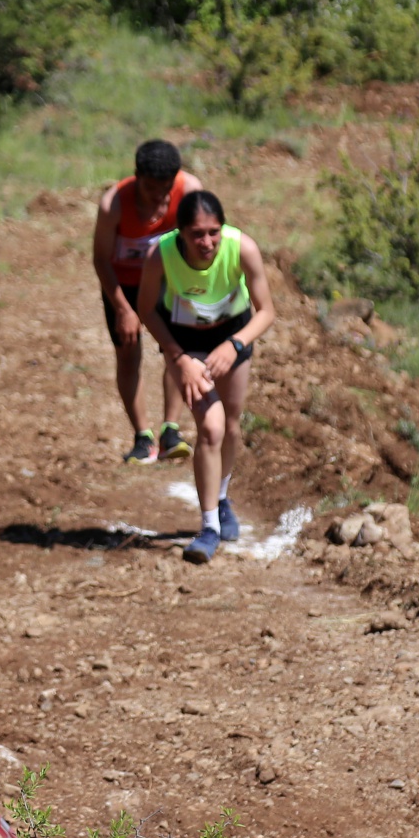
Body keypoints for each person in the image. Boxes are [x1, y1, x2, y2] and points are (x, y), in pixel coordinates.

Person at [137, 190, 275, 564]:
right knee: (210, 428)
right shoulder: (160, 254)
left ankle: (222, 496)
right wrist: (178, 358)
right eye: (197, 233)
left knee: (230, 425)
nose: (207, 242)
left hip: (233, 336)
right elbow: (146, 309)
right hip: (186, 344)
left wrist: (234, 344)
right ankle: (209, 527)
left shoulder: (242, 247)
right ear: (180, 231)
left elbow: (266, 311)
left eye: (213, 231)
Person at [93, 140, 203, 465]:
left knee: (175, 350)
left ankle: (171, 431)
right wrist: (124, 310)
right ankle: (143, 438)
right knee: (128, 355)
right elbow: (100, 260)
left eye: (165, 188)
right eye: (151, 188)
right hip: (123, 284)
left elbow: (203, 240)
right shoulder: (113, 204)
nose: (159, 197)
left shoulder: (190, 191)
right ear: (137, 176)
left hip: (169, 281)